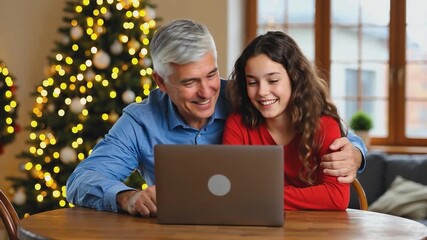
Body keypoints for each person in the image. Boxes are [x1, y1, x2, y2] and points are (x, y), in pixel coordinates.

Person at [66, 19, 367, 217]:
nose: (206, 91)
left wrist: (355, 151)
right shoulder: (140, 121)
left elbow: (319, 124)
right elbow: (80, 181)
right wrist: (127, 198)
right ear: (161, 82)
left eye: (211, 74)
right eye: (188, 82)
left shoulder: (245, 97)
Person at [223, 31, 356, 210]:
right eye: (252, 83)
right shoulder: (238, 124)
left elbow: (336, 197)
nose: (262, 91)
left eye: (273, 80)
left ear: (295, 78)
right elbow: (231, 191)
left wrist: (258, 195)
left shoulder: (324, 125)